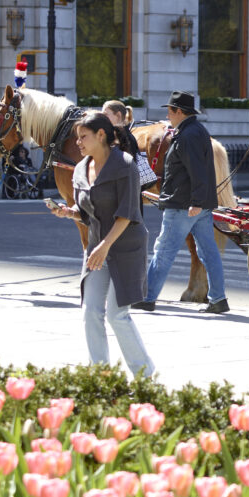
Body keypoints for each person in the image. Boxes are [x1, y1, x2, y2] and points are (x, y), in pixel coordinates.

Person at [46, 111, 155, 378]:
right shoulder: (81, 168)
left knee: (117, 316)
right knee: (90, 312)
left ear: (101, 135)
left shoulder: (125, 165)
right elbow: (88, 212)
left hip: (125, 246)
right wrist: (68, 212)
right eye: (78, 137)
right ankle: (100, 374)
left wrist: (104, 246)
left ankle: (144, 374)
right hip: (97, 247)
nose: (78, 143)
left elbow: (128, 213)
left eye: (83, 137)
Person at [132, 91, 228, 314]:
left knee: (164, 251)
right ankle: (218, 299)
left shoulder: (187, 135)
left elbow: (197, 172)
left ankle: (147, 297)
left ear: (179, 111)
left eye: (170, 111)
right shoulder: (196, 131)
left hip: (183, 205)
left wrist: (195, 201)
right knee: (208, 252)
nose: (167, 115)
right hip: (196, 205)